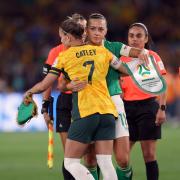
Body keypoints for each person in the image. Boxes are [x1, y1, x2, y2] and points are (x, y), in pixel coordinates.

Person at [24, 19, 133, 180]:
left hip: (86, 113)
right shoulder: (101, 51)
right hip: (108, 112)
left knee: (70, 162)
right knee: (105, 161)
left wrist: (29, 93)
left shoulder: (64, 56)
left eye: (61, 36)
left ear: (68, 37)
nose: (61, 40)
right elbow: (125, 70)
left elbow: (44, 85)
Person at [60, 13, 150, 180]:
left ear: (106, 31)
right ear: (86, 30)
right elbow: (61, 83)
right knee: (90, 159)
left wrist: (143, 52)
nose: (96, 32)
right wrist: (68, 85)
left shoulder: (113, 47)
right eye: (92, 28)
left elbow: (133, 51)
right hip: (89, 106)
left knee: (122, 159)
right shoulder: (76, 50)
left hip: (114, 103)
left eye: (100, 29)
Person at [41, 13, 87, 180]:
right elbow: (48, 82)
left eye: (84, 28)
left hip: (88, 101)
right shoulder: (56, 51)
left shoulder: (93, 50)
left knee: (89, 155)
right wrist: (46, 107)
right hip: (66, 101)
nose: (82, 32)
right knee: (70, 154)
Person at [120, 22, 167, 180]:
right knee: (122, 157)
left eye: (138, 35)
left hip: (147, 107)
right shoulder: (121, 58)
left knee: (149, 155)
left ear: (146, 38)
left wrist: (162, 109)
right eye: (131, 35)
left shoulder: (153, 57)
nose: (134, 39)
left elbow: (162, 85)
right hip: (126, 109)